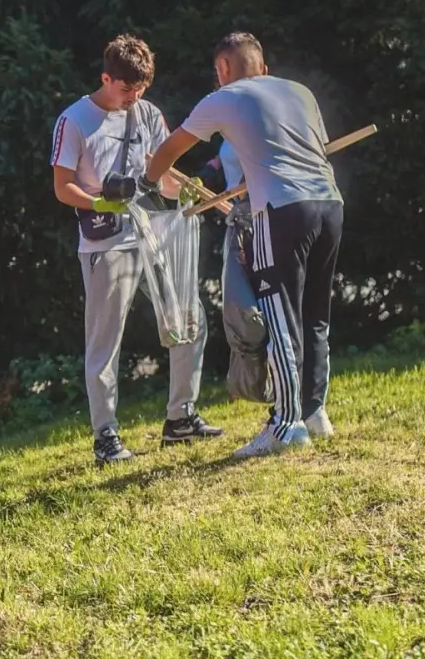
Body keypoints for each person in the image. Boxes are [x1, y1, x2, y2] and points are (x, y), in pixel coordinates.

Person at [143, 32, 344, 458]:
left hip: (279, 210)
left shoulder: (224, 98)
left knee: (280, 316)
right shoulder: (299, 91)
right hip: (329, 204)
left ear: (223, 70)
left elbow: (168, 152)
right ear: (263, 66)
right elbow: (317, 149)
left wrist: (144, 184)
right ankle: (314, 411)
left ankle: (285, 425)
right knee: (315, 314)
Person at [50, 34, 222, 464]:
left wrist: (187, 190)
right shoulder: (74, 121)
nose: (134, 97)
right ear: (106, 78)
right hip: (105, 243)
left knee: (188, 316)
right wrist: (97, 202)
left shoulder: (146, 113)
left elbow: (160, 172)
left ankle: (180, 417)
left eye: (142, 89)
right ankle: (105, 437)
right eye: (127, 89)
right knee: (105, 341)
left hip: (152, 233)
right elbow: (61, 187)